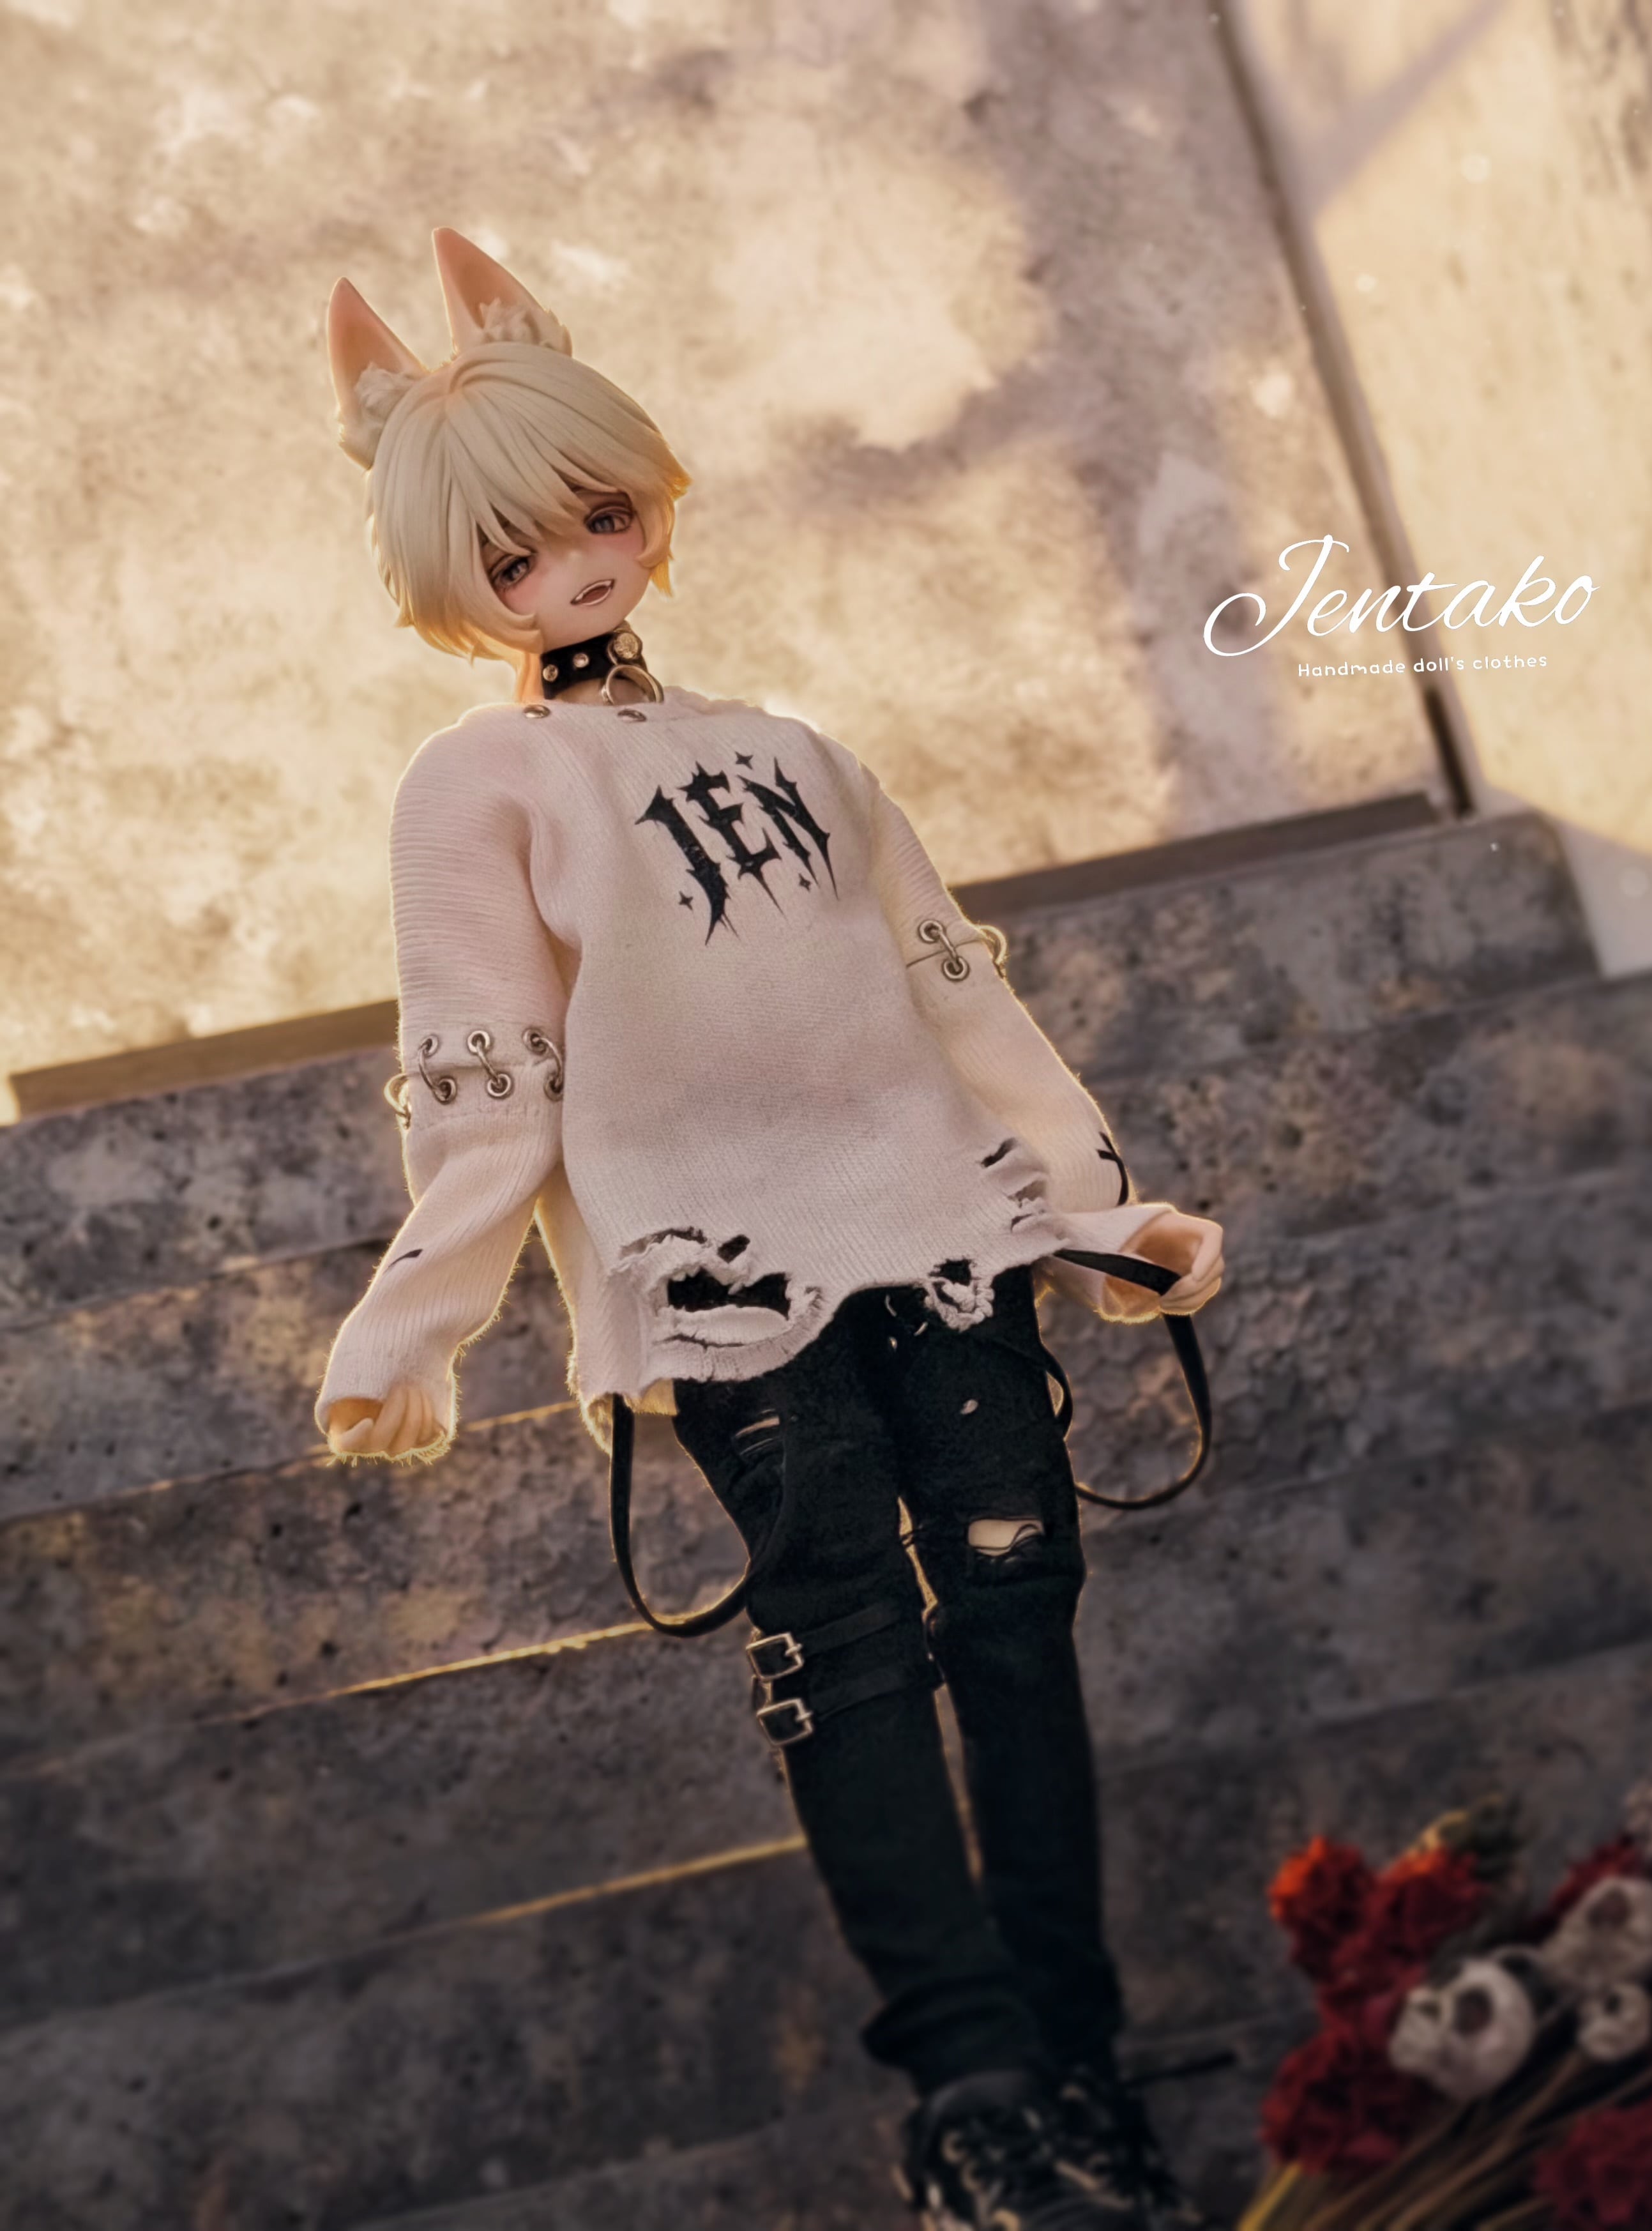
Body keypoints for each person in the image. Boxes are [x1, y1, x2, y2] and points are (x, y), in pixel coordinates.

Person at [318, 231, 1225, 2231]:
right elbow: (482, 1074)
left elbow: (954, 991)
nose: (574, 566)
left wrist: (1096, 1214)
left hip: (947, 1240)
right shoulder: (477, 787)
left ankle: (1073, 2061)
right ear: (452, 582)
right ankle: (974, 2097)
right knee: (847, 1650)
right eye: (513, 552)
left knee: (1015, 1625)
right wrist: (416, 1317)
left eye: (601, 515)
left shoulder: (803, 750)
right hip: (722, 1287)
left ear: (648, 497)